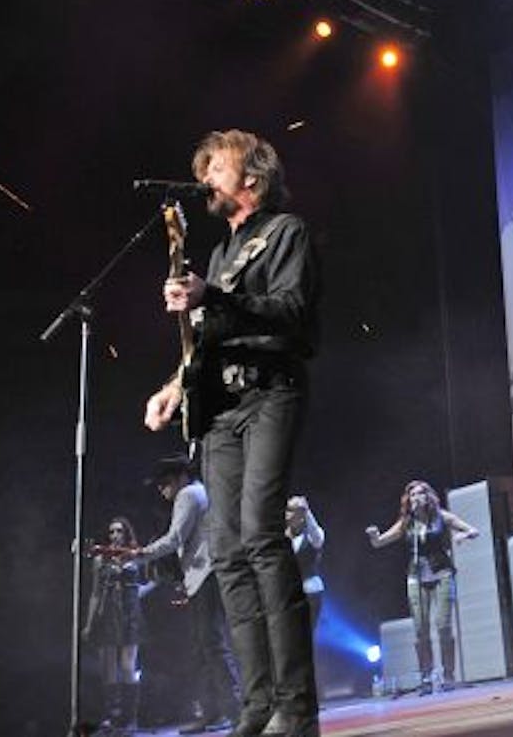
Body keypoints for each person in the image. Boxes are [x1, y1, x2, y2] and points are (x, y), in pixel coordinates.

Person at [143, 129, 321, 737]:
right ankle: (258, 705)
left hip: (270, 392)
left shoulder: (287, 232)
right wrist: (173, 385)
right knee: (226, 553)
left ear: (252, 175)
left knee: (262, 537)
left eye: (215, 166)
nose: (205, 178)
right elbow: (207, 343)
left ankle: (297, 707)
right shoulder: (221, 253)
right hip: (218, 409)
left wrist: (213, 295)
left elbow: (295, 314)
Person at [127, 454, 240, 735]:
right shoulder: (198, 493)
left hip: (206, 576)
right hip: (202, 577)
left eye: (164, 483)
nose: (161, 490)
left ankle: (235, 713)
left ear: (181, 477)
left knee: (212, 647)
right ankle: (215, 712)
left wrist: (142, 554)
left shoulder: (189, 494)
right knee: (204, 648)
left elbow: (176, 537)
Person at [365, 481, 479, 695]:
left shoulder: (441, 516)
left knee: (443, 625)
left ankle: (448, 675)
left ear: (429, 497)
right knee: (420, 629)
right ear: (409, 500)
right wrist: (374, 535)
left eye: (422, 494)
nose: (418, 498)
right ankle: (426, 676)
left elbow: (474, 530)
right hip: (416, 577)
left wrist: (462, 535)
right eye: (414, 495)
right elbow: (379, 542)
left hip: (442, 573)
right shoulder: (407, 523)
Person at [83, 516, 143, 735]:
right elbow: (95, 594)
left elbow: (147, 581)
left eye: (119, 531)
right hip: (107, 614)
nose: (115, 536)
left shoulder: (135, 557)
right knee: (108, 669)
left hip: (129, 615)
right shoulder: (101, 560)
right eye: (111, 532)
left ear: (126, 533)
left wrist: (137, 596)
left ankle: (130, 719)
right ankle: (111, 716)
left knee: (128, 666)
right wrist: (89, 624)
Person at [284, 496, 326, 630]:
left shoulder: (312, 535)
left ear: (301, 516)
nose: (287, 515)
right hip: (287, 593)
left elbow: (317, 537)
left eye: (291, 511)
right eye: (287, 510)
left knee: (304, 633)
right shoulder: (282, 537)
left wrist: (307, 511)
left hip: (310, 592)